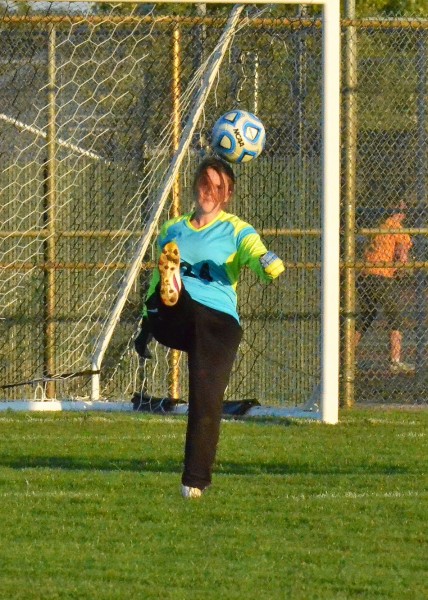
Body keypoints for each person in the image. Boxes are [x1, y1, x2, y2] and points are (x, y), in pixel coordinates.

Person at [134, 156, 285, 498]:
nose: (208, 191)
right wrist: (145, 321)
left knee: (207, 400)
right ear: (195, 185)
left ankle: (194, 482)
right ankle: (170, 299)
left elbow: (256, 255)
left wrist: (268, 265)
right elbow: (157, 276)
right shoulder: (173, 230)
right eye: (204, 182)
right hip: (177, 316)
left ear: (227, 194)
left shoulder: (237, 230)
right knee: (171, 292)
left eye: (217, 186)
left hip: (218, 323)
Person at [355, 201, 414, 373]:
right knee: (396, 317)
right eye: (403, 211)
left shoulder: (379, 225)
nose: (404, 215)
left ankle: (347, 358)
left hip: (365, 276)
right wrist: (403, 269)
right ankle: (395, 361)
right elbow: (401, 255)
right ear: (400, 213)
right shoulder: (398, 228)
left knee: (367, 316)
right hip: (382, 276)